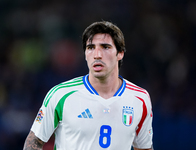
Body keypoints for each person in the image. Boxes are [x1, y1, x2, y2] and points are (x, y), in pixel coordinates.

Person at [23, 21, 153, 150]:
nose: (97, 55)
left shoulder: (140, 98)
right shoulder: (61, 94)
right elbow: (33, 142)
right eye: (91, 48)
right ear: (85, 54)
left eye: (105, 47)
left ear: (120, 53)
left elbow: (144, 147)